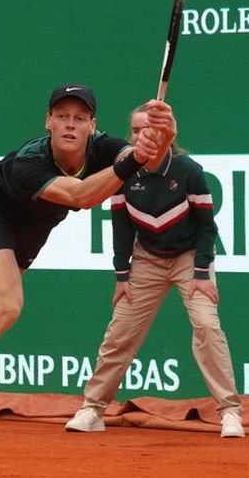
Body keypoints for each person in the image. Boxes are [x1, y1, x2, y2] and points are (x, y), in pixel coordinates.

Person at [0, 85, 176, 459]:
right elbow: (81, 196)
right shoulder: (31, 160)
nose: (70, 125)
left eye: (79, 118)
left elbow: (148, 159)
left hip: (33, 224)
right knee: (6, 306)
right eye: (62, 116)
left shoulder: (104, 147)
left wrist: (163, 136)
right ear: (48, 121)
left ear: (93, 125)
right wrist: (134, 160)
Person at [66, 104, 244, 438]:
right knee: (120, 332)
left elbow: (208, 227)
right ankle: (92, 409)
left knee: (207, 325)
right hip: (146, 259)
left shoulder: (188, 170)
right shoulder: (121, 173)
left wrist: (203, 273)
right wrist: (122, 275)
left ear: (163, 133)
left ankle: (230, 412)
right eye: (134, 131)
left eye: (147, 129)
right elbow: (121, 226)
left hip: (190, 258)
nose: (139, 136)